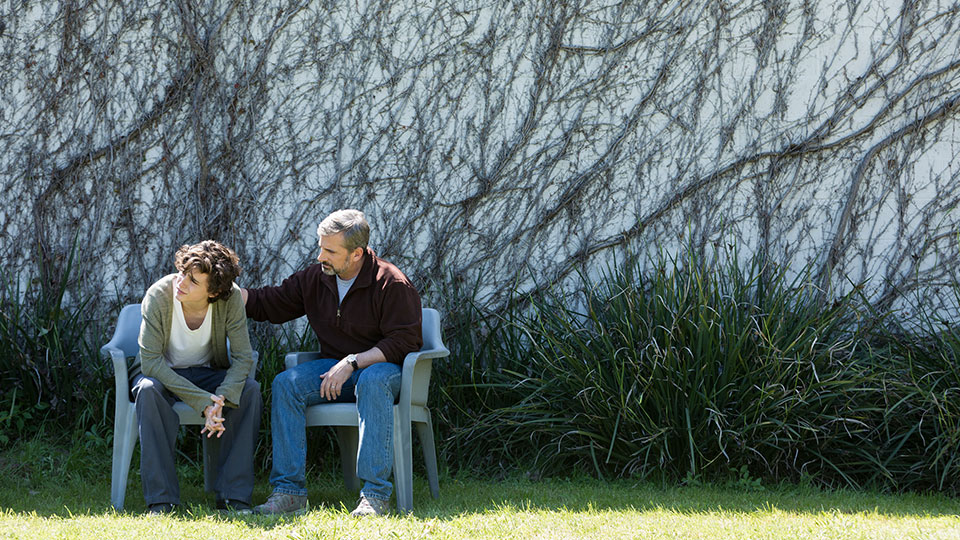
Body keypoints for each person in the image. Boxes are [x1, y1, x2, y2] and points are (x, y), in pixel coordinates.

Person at [242, 209, 422, 517]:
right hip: (334, 369)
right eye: (320, 246)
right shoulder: (316, 278)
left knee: (373, 379)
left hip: (385, 370)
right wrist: (228, 293)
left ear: (356, 254)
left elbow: (405, 342)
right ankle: (289, 493)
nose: (320, 255)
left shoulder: (391, 283)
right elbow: (271, 303)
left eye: (329, 250)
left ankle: (375, 495)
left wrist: (352, 362)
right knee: (286, 384)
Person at [130, 240, 261, 514]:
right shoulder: (159, 295)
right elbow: (151, 363)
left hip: (207, 374)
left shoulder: (231, 298)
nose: (181, 282)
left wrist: (221, 398)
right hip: (161, 375)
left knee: (248, 390)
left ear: (213, 292)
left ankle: (232, 498)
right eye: (182, 273)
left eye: (192, 281)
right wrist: (203, 401)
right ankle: (161, 501)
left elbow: (243, 357)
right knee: (147, 391)